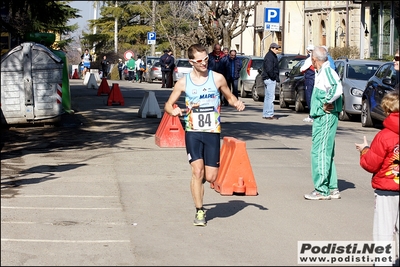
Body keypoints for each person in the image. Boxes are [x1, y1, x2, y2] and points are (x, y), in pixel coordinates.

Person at [163, 43, 245, 226]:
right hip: (193, 132)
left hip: (212, 132)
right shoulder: (183, 82)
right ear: (191, 62)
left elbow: (229, 97)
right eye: (200, 61)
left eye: (206, 59)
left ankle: (201, 188)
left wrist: (237, 103)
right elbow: (168, 105)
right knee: (197, 171)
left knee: (211, 177)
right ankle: (199, 211)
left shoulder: (217, 78)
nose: (204, 63)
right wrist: (173, 111)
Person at [354, 90, 399, 266]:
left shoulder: (384, 136)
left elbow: (371, 164)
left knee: (384, 229)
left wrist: (365, 150)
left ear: (387, 111)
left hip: (387, 188)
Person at [304, 46, 343, 200]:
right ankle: (332, 187)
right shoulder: (322, 71)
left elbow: (337, 88)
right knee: (326, 152)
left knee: (319, 151)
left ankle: (321, 189)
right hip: (323, 116)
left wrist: (327, 101)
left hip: (325, 117)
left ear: (314, 60)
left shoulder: (327, 71)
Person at [261, 42, 280, 120]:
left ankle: (266, 113)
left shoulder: (271, 56)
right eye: (276, 48)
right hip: (269, 78)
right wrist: (273, 77)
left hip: (268, 78)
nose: (277, 50)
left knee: (268, 97)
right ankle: (269, 114)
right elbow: (269, 69)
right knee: (271, 97)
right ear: (271, 48)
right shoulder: (270, 57)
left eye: (277, 48)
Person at [300, 44, 316, 123]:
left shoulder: (309, 59)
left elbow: (302, 69)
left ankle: (311, 115)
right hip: (315, 79)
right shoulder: (317, 58)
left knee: (309, 97)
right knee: (314, 97)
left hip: (310, 79)